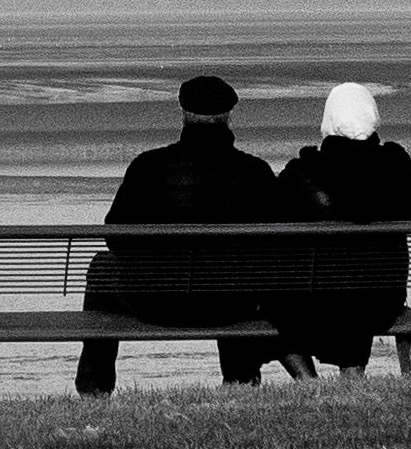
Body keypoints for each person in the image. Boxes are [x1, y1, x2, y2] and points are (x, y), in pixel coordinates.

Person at [75, 73, 279, 395]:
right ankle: (241, 380)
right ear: (227, 116)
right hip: (230, 306)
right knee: (239, 273)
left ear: (183, 113)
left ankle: (94, 387)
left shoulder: (147, 167)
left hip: (157, 303)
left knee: (101, 267)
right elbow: (276, 241)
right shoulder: (254, 171)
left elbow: (116, 236)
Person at [276, 80, 411, 373]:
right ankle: (352, 373)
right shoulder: (396, 167)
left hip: (313, 298)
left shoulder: (301, 172)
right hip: (382, 300)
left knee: (277, 301)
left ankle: (307, 380)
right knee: (355, 294)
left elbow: (274, 219)